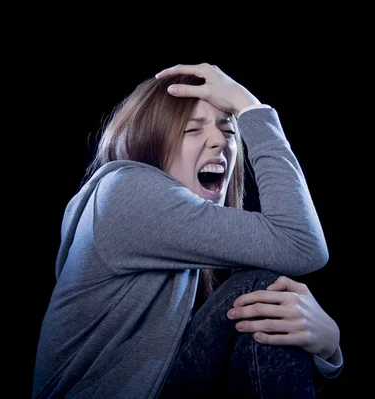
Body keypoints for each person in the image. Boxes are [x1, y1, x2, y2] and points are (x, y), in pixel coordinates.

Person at [32, 63, 343, 398]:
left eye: (229, 130)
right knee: (258, 290)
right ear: (150, 143)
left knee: (262, 305)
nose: (218, 142)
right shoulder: (127, 191)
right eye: (192, 130)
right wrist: (251, 107)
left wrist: (327, 348)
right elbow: (300, 242)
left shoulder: (183, 244)